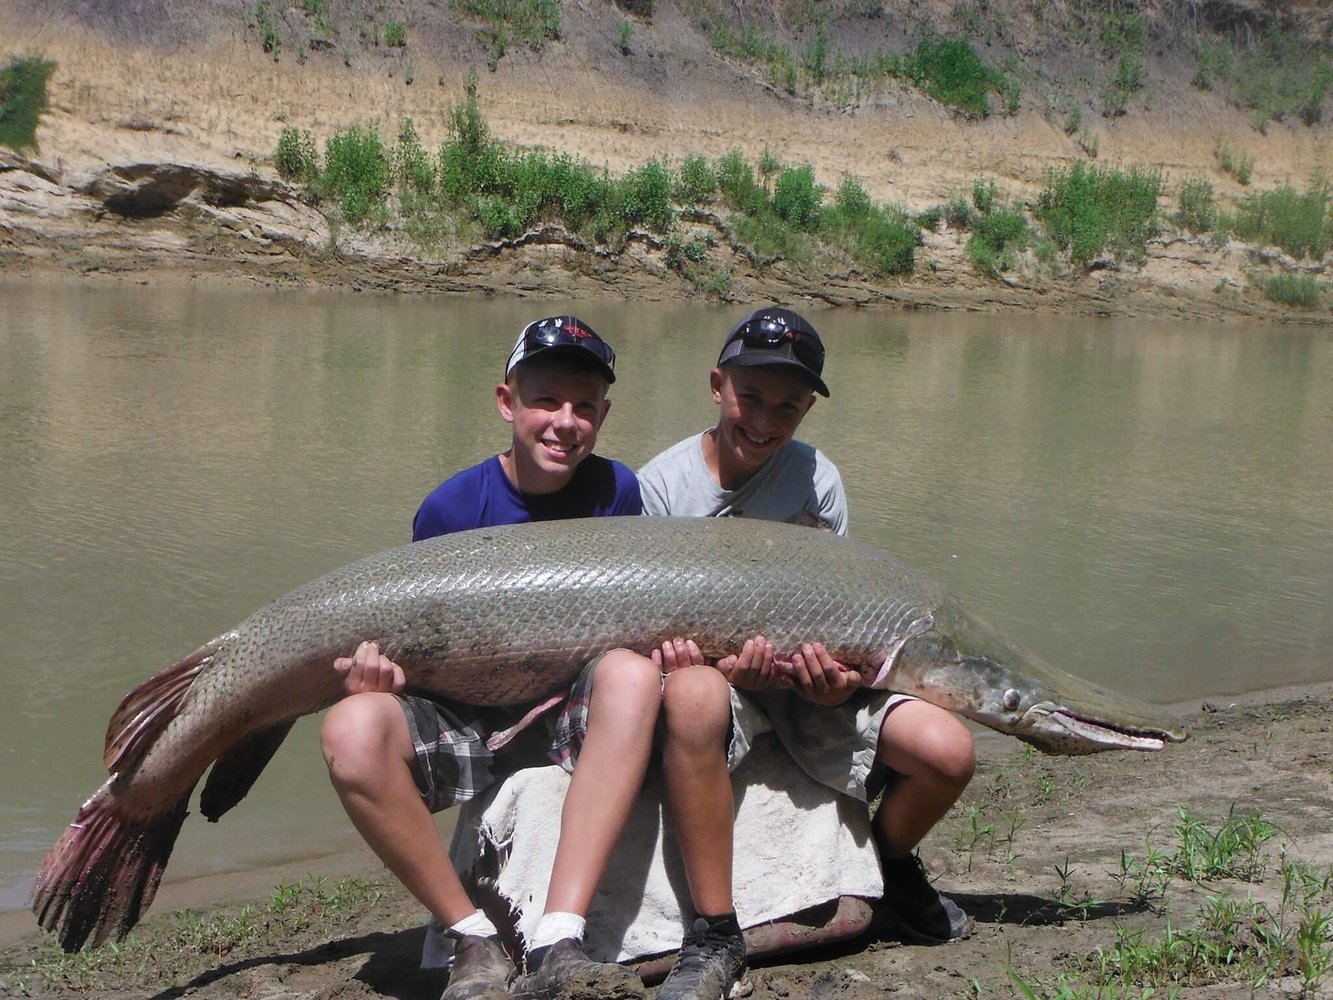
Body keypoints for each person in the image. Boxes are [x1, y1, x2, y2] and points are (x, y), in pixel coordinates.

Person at [639, 306, 978, 1000]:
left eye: (786, 408)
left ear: (806, 411)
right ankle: (713, 933)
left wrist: (829, 685)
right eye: (750, 399)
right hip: (710, 684)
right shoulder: (660, 487)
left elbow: (844, 619)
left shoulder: (819, 480)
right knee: (693, 691)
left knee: (949, 752)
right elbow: (646, 632)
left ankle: (892, 862)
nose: (764, 421)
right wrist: (698, 665)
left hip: (804, 686)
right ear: (716, 385)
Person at [320, 316, 658, 1000]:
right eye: (545, 401)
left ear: (603, 415)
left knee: (632, 670)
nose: (564, 422)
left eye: (583, 406)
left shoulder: (616, 493)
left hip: (566, 710)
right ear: (507, 402)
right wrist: (378, 682)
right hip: (470, 719)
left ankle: (560, 936)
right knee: (351, 725)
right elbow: (415, 644)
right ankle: (471, 938)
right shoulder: (448, 508)